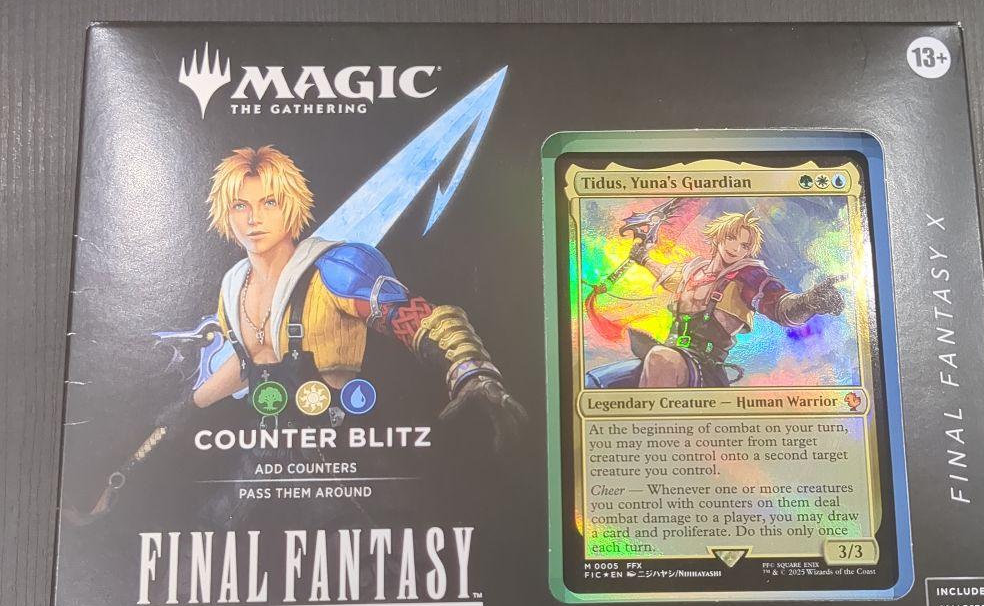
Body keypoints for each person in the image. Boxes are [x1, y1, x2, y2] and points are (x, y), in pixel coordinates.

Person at [84, 145, 524, 518]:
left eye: (269, 203)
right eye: (241, 205)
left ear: (291, 206)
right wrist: (170, 425)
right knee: (210, 536)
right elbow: (248, 361)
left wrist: (469, 370)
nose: (253, 218)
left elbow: (414, 317)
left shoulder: (336, 269)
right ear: (226, 213)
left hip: (342, 454)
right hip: (265, 455)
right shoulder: (233, 286)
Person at [587, 209, 844, 389]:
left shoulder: (749, 276)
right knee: (596, 382)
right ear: (719, 237)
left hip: (704, 367)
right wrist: (643, 257)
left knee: (660, 359)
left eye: (744, 245)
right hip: (669, 356)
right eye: (731, 238)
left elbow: (780, 307)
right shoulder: (694, 272)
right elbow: (668, 276)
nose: (735, 248)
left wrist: (808, 302)